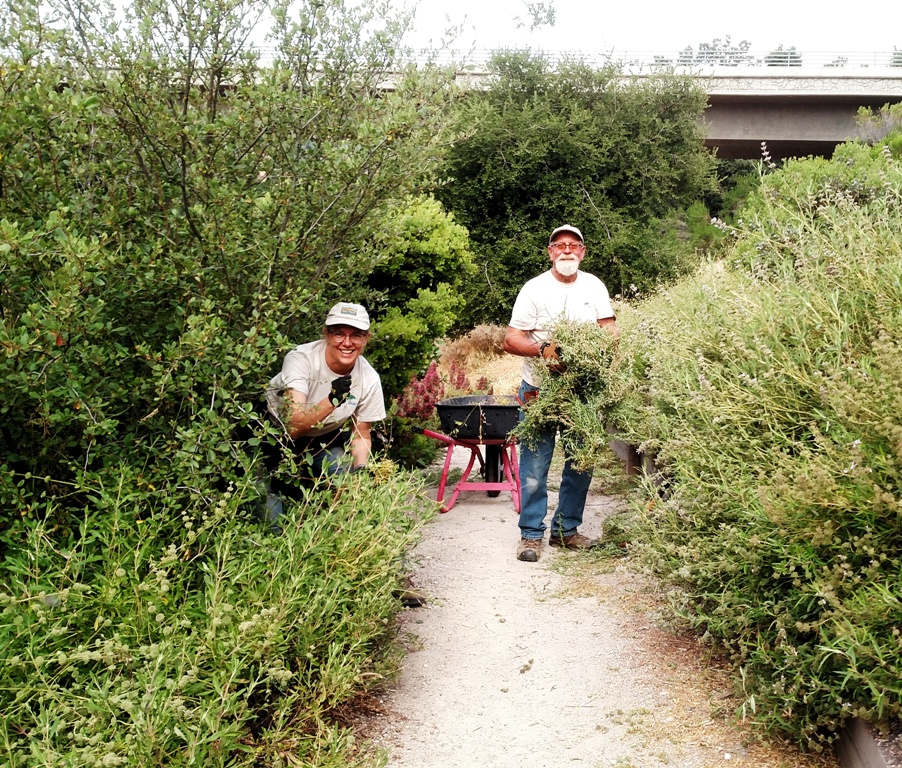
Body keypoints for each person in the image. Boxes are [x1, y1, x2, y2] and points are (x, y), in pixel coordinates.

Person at [502, 224, 619, 562]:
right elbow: (511, 339)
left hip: (580, 390)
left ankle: (566, 531)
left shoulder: (594, 286)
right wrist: (543, 350)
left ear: (582, 252)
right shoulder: (534, 289)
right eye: (560, 245)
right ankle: (530, 535)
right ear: (550, 252)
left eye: (574, 245)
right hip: (539, 390)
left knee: (581, 462)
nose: (567, 251)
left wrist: (596, 354)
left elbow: (609, 330)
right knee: (535, 465)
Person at [263, 302, 386, 501]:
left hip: (322, 438)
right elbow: (293, 426)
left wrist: (361, 468)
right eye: (339, 334)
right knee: (269, 506)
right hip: (272, 433)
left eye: (356, 335)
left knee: (348, 485)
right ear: (326, 334)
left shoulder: (369, 378)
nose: (347, 343)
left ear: (366, 339)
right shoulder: (301, 359)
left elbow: (361, 432)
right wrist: (332, 400)